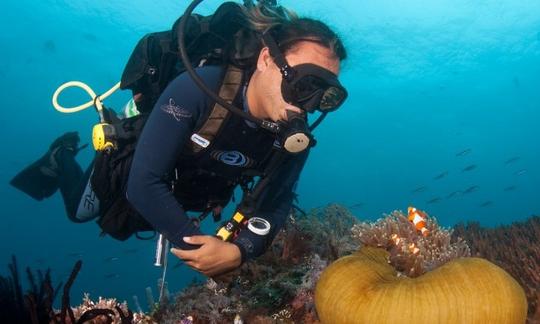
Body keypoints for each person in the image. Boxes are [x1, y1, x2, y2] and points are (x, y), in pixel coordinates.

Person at [10, 3, 347, 277]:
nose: (308, 105)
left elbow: (277, 200)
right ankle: (61, 157)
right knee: (81, 213)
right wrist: (197, 243)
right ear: (265, 60)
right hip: (139, 169)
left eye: (324, 97)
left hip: (188, 190)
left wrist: (238, 250)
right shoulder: (201, 88)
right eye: (304, 84)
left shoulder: (294, 135)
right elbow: (143, 182)